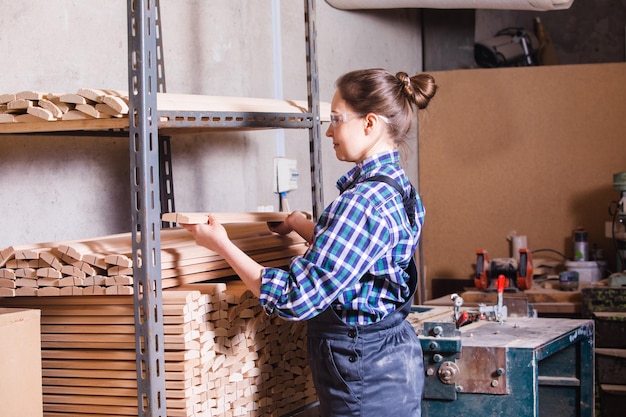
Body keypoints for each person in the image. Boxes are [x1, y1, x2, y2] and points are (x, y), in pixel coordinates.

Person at [181, 68, 437, 417]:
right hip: (393, 357)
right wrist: (303, 226)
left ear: (370, 123)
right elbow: (365, 257)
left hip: (363, 367)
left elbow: (295, 298)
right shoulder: (400, 190)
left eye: (336, 119)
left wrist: (222, 245)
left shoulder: (361, 203)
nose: (329, 131)